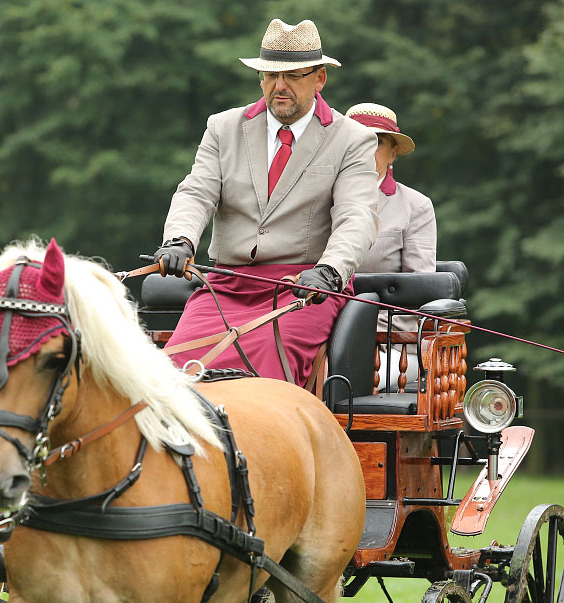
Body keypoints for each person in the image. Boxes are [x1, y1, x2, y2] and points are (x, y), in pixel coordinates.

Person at [152, 18, 379, 387]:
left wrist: (330, 271)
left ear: (320, 78)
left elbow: (357, 217)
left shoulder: (353, 139)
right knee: (170, 376)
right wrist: (180, 240)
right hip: (226, 287)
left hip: (305, 291)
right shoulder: (223, 127)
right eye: (270, 76)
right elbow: (197, 191)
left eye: (292, 76)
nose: (279, 86)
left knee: (261, 376)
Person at [347, 102, 437, 391]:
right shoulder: (315, 200)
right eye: (356, 141)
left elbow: (418, 294)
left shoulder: (416, 207)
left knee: (340, 386)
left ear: (393, 151)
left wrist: (364, 338)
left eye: (376, 142)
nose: (364, 150)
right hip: (314, 333)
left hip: (389, 347)